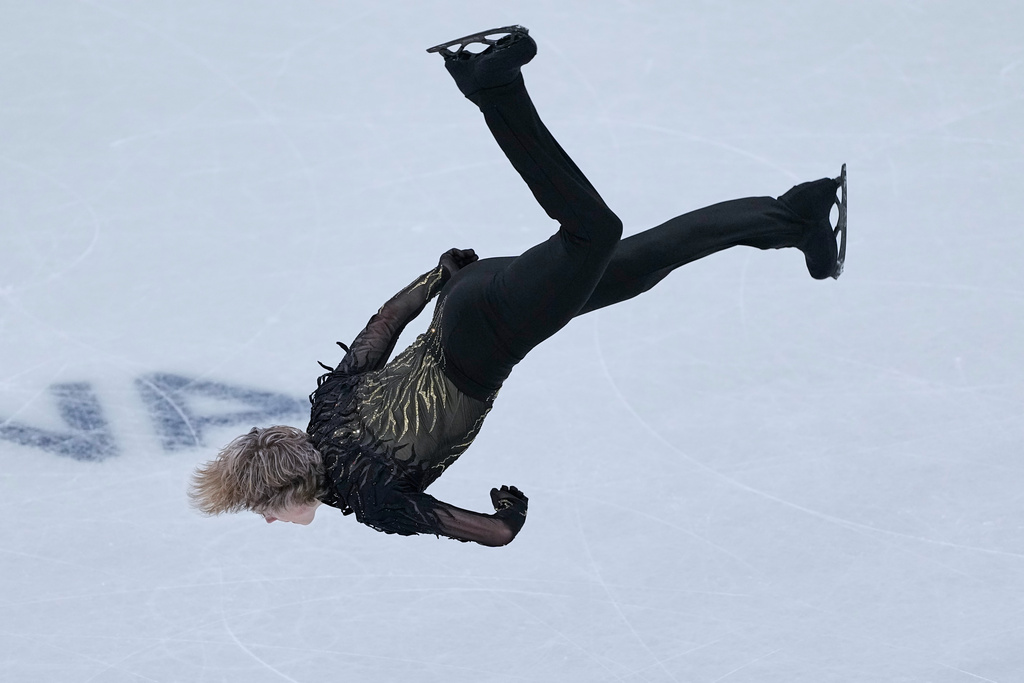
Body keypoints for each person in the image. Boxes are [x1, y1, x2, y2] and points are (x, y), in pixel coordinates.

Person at [189, 26, 847, 547]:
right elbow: (382, 326)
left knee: (594, 231)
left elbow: (489, 533)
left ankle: (494, 89)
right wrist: (437, 276)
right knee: (637, 263)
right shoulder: (325, 411)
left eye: (265, 509)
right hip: (464, 303)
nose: (270, 520)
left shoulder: (374, 499)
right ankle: (795, 215)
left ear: (288, 489)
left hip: (497, 329)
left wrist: (508, 518)